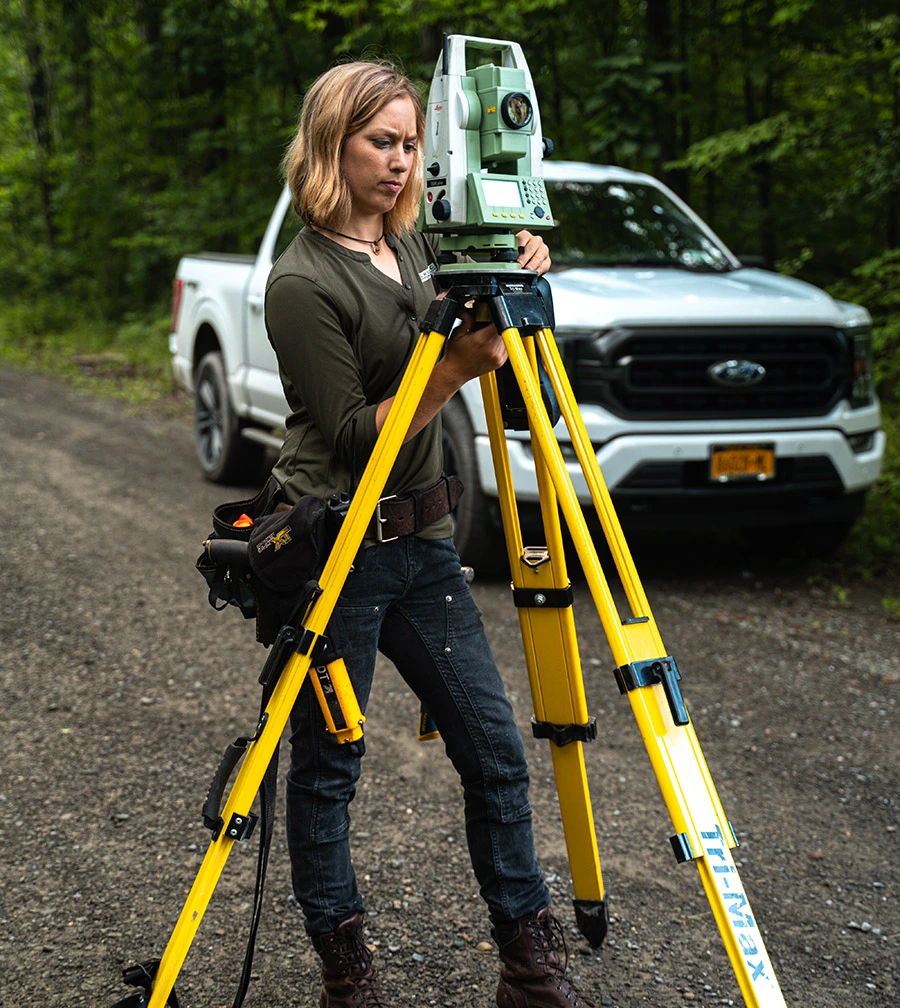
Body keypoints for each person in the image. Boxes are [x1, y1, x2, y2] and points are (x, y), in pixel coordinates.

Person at [264, 59, 598, 1008]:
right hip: (336, 543)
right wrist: (450, 368)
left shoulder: (421, 253)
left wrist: (514, 270)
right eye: (383, 142)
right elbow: (359, 436)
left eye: (414, 143)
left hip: (426, 545)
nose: (405, 162)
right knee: (330, 768)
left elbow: (487, 354)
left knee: (493, 749)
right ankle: (348, 978)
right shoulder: (301, 280)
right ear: (333, 144)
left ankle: (530, 969)